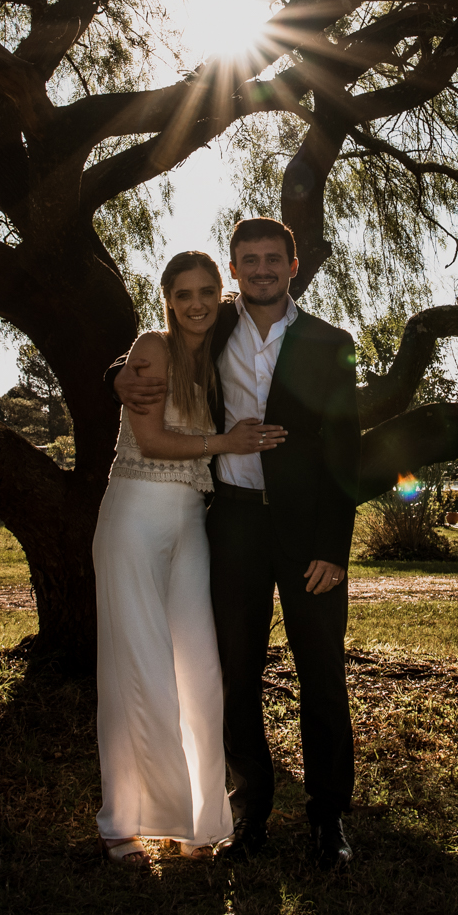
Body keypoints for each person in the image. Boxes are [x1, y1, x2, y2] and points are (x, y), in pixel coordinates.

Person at [113, 218, 364, 871]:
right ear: (233, 268)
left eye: (271, 258)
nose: (260, 269)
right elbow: (160, 342)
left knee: (322, 671)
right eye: (247, 259)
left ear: (293, 263)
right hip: (234, 523)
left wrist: (334, 548)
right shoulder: (215, 324)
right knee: (234, 671)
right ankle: (250, 806)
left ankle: (328, 814)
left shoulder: (331, 342)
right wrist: (121, 372)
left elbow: (347, 453)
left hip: (309, 533)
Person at [95, 250, 283, 865]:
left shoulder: (217, 345)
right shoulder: (151, 346)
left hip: (191, 524)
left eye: (207, 291)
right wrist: (224, 442)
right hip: (135, 516)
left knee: (199, 670)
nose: (198, 303)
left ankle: (197, 818)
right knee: (138, 665)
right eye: (184, 294)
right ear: (168, 299)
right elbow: (149, 437)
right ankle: (126, 818)